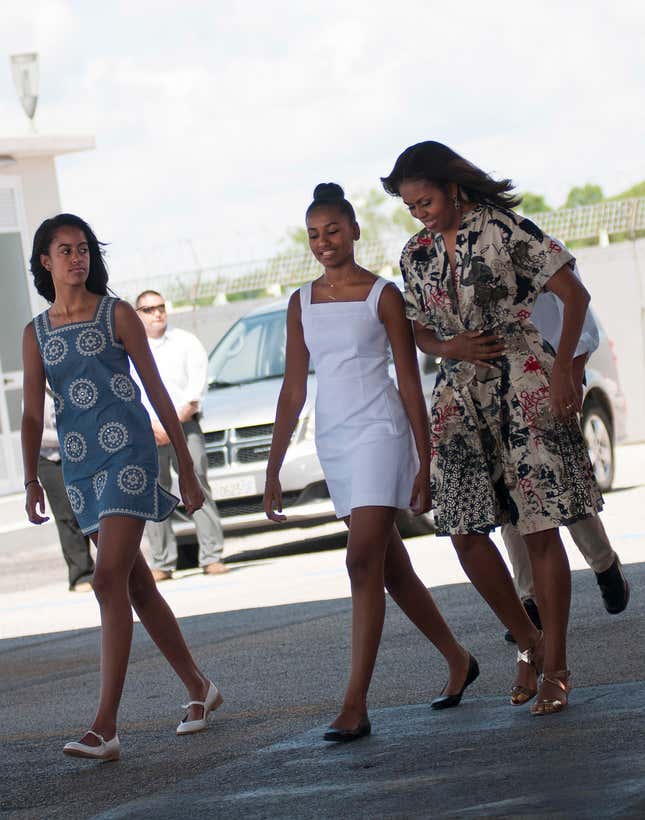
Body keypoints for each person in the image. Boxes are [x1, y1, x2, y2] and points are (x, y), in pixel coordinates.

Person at [382, 141, 603, 715]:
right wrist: (446, 345)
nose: (421, 212)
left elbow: (574, 293)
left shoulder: (506, 229)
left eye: (425, 200)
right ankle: (528, 643)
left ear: (451, 188)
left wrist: (562, 370)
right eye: (410, 206)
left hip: (527, 384)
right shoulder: (414, 256)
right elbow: (416, 332)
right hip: (459, 399)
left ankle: (555, 666)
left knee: (539, 527)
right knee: (464, 531)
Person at [264, 183, 478, 743]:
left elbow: (410, 381)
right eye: (313, 234)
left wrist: (423, 460)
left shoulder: (384, 295)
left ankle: (355, 703)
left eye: (333, 230)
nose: (324, 243)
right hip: (334, 441)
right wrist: (273, 467)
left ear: (355, 230)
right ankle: (458, 659)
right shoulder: (300, 303)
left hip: (381, 433)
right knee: (390, 567)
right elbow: (292, 390)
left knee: (361, 562)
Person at [22, 214, 223, 761]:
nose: (77, 258)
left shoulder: (119, 314)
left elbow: (157, 392)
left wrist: (183, 464)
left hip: (130, 456)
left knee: (107, 579)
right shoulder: (35, 333)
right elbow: (33, 417)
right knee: (135, 585)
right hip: (80, 470)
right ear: (45, 261)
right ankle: (200, 688)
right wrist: (30, 480)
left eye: (83, 249)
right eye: (65, 251)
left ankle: (105, 725)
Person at [501, 257, 629, 640]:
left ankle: (604, 564)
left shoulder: (536, 247)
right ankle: (530, 600)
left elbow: (581, 319)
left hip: (549, 380)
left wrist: (569, 376)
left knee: (564, 487)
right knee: (511, 496)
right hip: (503, 390)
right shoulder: (463, 250)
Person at [133, 290, 227, 580]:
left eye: (160, 307)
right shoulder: (130, 349)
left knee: (197, 483)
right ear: (138, 314)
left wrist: (172, 424)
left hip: (184, 425)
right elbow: (130, 392)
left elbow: (194, 392)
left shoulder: (186, 342)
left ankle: (212, 556)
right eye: (148, 309)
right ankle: (162, 562)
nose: (157, 313)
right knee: (152, 493)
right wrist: (153, 426)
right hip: (149, 430)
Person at [39, 386, 95, 591]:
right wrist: (71, 435)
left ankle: (110, 569)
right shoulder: (36, 392)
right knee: (66, 515)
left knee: (92, 510)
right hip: (49, 458)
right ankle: (81, 574)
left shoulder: (72, 385)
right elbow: (36, 429)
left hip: (80, 453)